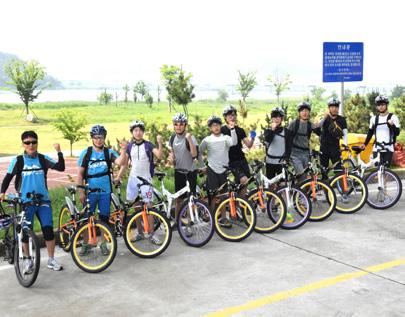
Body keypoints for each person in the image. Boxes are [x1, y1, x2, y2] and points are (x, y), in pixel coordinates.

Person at [1, 131, 65, 272]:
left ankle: (51, 260)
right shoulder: (18, 160)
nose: (31, 145)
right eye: (27, 142)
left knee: (48, 231)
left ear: (37, 143)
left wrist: (59, 152)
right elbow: (8, 177)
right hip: (26, 202)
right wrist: (2, 193)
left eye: (33, 142)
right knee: (25, 233)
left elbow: (61, 167)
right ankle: (28, 260)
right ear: (23, 144)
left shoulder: (43, 159)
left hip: (43, 201)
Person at [77, 124, 126, 255]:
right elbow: (80, 174)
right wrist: (80, 190)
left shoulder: (108, 152)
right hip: (90, 192)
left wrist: (124, 150)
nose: (99, 140)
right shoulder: (86, 153)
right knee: (87, 218)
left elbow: (120, 162)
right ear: (92, 138)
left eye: (101, 137)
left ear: (104, 138)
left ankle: (104, 244)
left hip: (105, 191)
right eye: (96, 137)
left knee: (104, 218)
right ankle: (86, 244)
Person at [117, 120, 164, 245]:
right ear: (132, 132)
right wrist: (118, 177)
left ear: (143, 132)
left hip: (146, 179)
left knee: (149, 207)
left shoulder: (148, 145)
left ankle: (152, 234)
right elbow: (124, 164)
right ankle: (140, 232)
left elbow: (159, 155)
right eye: (135, 130)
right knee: (136, 207)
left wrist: (160, 143)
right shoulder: (129, 146)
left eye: (140, 130)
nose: (138, 133)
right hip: (133, 179)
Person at [199, 115, 237, 227]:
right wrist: (202, 166)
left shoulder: (225, 138)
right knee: (212, 195)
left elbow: (234, 142)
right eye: (213, 126)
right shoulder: (207, 140)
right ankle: (211, 217)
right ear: (210, 128)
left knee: (224, 195)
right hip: (212, 170)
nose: (215, 127)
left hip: (223, 170)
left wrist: (232, 129)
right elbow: (199, 152)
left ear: (220, 126)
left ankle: (224, 218)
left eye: (217, 125)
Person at [168, 113, 199, 230]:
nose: (178, 127)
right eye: (176, 124)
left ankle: (190, 222)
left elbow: (194, 154)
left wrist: (189, 139)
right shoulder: (172, 138)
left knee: (191, 199)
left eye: (181, 124)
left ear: (185, 125)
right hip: (178, 172)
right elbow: (172, 155)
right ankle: (177, 221)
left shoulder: (190, 137)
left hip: (190, 172)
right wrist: (171, 159)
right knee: (179, 199)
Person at [221, 105, 256, 188]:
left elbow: (249, 145)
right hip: (231, 161)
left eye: (234, 115)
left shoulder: (240, 130)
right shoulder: (222, 130)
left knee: (244, 183)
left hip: (242, 159)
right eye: (229, 115)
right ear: (225, 117)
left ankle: (240, 200)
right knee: (244, 180)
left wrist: (253, 137)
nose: (232, 117)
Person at [361, 95, 401, 165]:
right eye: (379, 105)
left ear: (386, 105)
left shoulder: (393, 117)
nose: (381, 107)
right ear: (376, 106)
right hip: (377, 148)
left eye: (383, 104)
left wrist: (392, 125)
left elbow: (397, 133)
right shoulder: (374, 119)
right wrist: (365, 144)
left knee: (385, 170)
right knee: (377, 170)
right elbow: (370, 133)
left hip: (388, 148)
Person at [318, 97, 348, 179]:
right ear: (329, 108)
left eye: (336, 107)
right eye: (332, 107)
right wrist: (324, 117)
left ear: (338, 108)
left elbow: (345, 133)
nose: (334, 109)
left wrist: (345, 144)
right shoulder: (325, 118)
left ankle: (341, 189)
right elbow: (318, 126)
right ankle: (325, 189)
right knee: (324, 170)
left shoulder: (341, 119)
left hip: (335, 147)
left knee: (338, 170)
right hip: (324, 147)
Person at [288, 101, 319, 179]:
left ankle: (298, 189)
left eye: (306, 111)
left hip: (306, 154)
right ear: (299, 113)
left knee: (306, 176)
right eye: (302, 111)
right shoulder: (293, 124)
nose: (304, 113)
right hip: (295, 154)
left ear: (309, 112)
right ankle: (299, 190)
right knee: (302, 176)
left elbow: (319, 133)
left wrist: (318, 127)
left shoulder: (310, 124)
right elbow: (287, 138)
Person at [263, 107, 293, 180]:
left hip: (281, 162)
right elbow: (267, 139)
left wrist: (287, 159)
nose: (276, 119)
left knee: (283, 184)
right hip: (270, 161)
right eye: (274, 117)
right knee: (271, 184)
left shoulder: (287, 132)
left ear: (282, 119)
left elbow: (289, 146)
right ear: (272, 119)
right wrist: (273, 130)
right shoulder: (268, 131)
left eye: (279, 117)